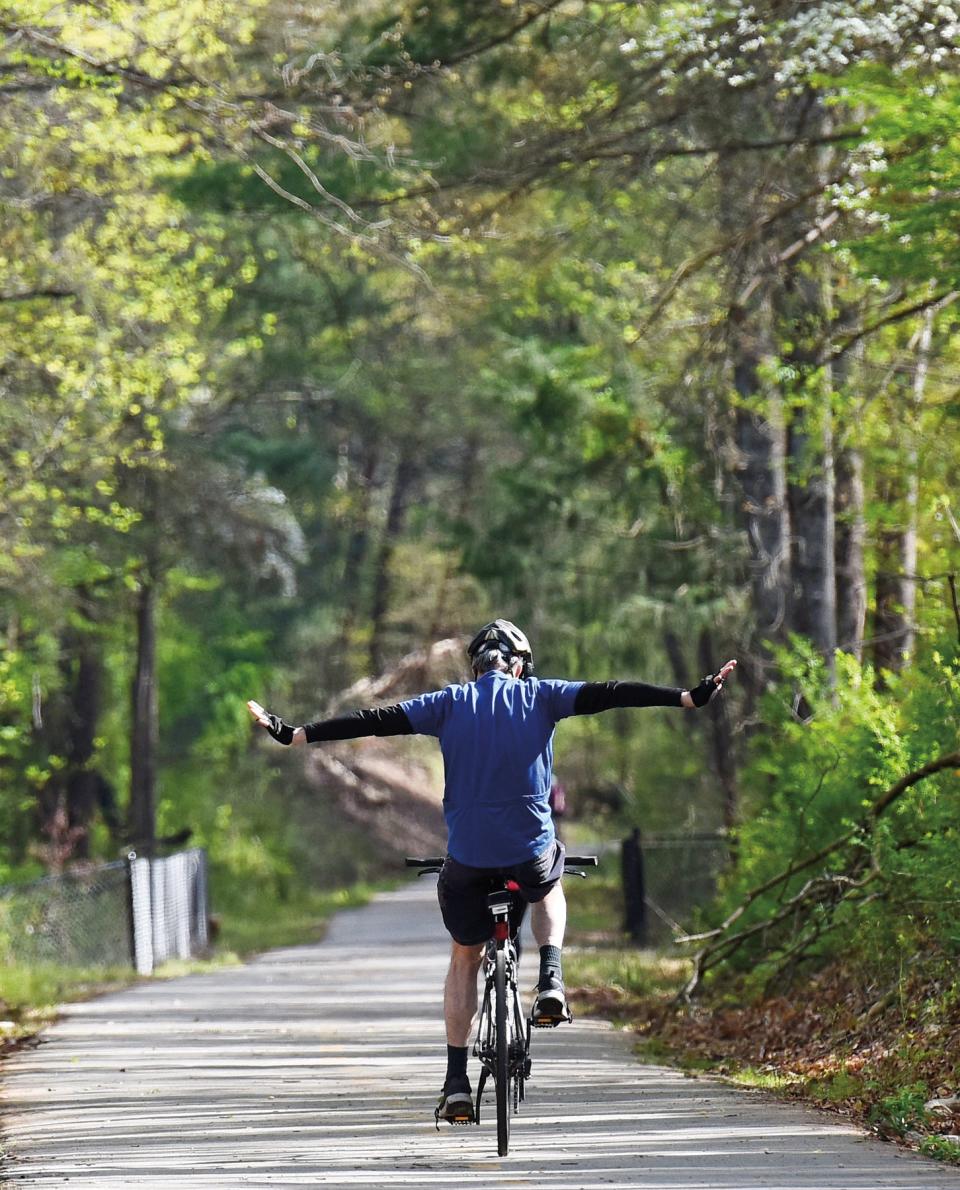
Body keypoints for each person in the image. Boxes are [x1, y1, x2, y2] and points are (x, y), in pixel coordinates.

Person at [247, 619, 736, 1125]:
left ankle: (456, 1082)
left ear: (476, 667)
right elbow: (611, 693)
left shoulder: (449, 703)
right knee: (549, 879)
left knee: (464, 957)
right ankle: (550, 979)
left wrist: (297, 734)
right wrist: (687, 698)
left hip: (468, 862)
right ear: (519, 665)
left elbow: (373, 719)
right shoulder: (541, 696)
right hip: (526, 856)